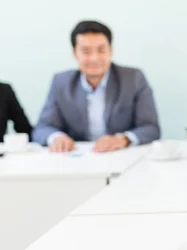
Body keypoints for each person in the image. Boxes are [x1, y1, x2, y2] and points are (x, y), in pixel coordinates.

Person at [32, 21, 160, 152]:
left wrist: (123, 139)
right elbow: (43, 128)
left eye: (101, 50)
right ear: (75, 53)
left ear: (110, 51)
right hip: (77, 158)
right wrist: (56, 137)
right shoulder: (61, 82)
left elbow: (150, 128)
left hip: (121, 155)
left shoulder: (133, 78)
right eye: (86, 51)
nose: (94, 58)